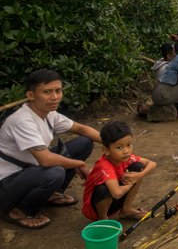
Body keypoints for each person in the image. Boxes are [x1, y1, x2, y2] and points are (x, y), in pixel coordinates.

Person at [0, 69, 101, 229]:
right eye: (47, 92)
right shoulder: (22, 121)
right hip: (7, 183)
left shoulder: (49, 114)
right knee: (54, 171)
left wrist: (113, 144)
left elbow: (81, 129)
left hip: (30, 169)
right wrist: (78, 164)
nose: (55, 97)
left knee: (84, 142)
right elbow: (45, 160)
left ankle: (50, 193)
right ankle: (18, 210)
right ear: (31, 95)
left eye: (58, 90)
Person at [82, 121, 156, 221]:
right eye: (119, 147)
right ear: (106, 150)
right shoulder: (104, 166)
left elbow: (151, 164)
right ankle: (103, 219)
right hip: (94, 209)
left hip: (114, 199)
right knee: (102, 189)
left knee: (138, 167)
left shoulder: (125, 158)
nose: (126, 151)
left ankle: (126, 210)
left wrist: (139, 175)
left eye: (128, 145)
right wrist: (132, 182)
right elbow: (117, 193)